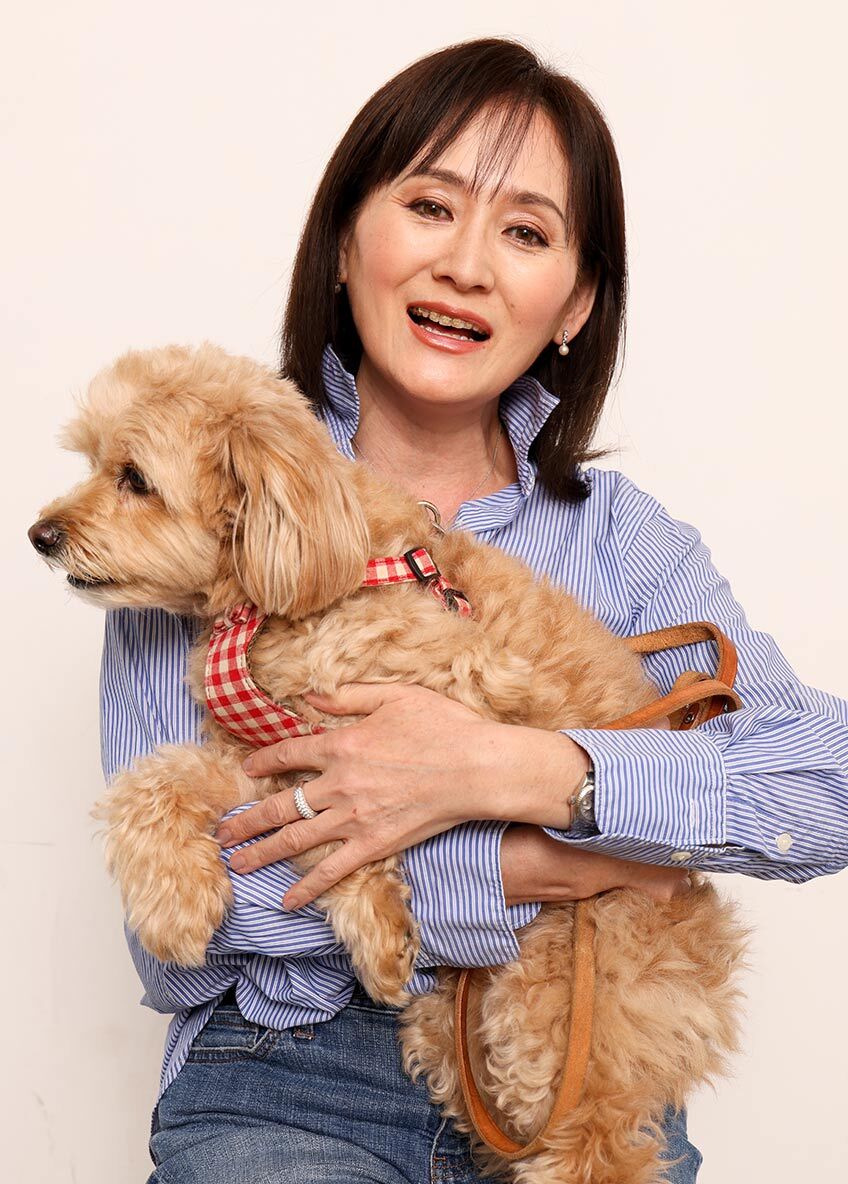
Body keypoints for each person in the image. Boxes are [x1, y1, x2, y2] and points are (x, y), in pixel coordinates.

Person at [100, 37, 848, 1184]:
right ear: (343, 242)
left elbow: (821, 785)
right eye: (429, 206)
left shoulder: (622, 538)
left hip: (582, 1066)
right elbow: (179, 937)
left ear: (574, 303)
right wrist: (518, 867)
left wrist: (522, 770)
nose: (464, 265)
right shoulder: (202, 502)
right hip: (290, 1067)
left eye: (525, 232)